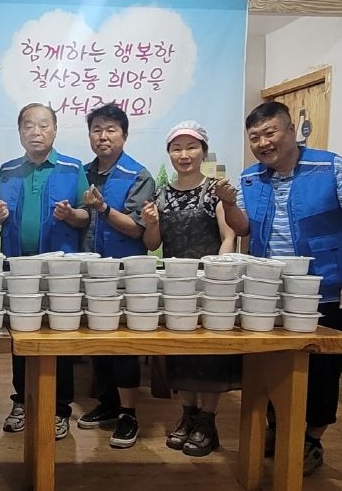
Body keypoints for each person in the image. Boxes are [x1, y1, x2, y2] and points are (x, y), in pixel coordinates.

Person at [217, 101, 342, 476]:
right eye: (254, 137)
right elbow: (242, 228)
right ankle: (277, 428)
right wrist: (228, 203)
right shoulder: (249, 178)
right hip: (267, 292)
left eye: (269, 132)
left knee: (321, 370)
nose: (262, 143)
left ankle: (312, 440)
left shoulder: (330, 167)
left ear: (291, 130)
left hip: (323, 288)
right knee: (269, 365)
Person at [0, 103, 89, 440]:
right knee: (21, 334)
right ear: (20, 132)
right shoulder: (8, 170)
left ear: (55, 130)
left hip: (60, 270)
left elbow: (86, 216)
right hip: (18, 268)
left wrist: (71, 215)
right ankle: (22, 401)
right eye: (28, 125)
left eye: (43, 125)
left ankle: (59, 409)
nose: (36, 132)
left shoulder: (72, 168)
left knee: (60, 336)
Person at [141, 120, 238, 456]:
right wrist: (151, 223)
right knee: (181, 351)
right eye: (177, 148)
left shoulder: (215, 191)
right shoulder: (161, 194)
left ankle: (207, 422)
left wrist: (218, 276)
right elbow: (152, 244)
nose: (184, 155)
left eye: (191, 147)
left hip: (210, 285)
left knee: (209, 354)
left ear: (203, 152)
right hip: (177, 285)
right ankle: (188, 415)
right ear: (169, 153)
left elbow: (229, 236)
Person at [80, 103, 155, 449]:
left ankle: (128, 414)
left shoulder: (138, 175)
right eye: (97, 129)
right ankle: (108, 403)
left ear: (124, 135)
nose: (103, 136)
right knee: (98, 339)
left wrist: (103, 208)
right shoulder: (82, 173)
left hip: (126, 272)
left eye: (111, 129)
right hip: (91, 270)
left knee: (124, 344)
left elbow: (138, 229)